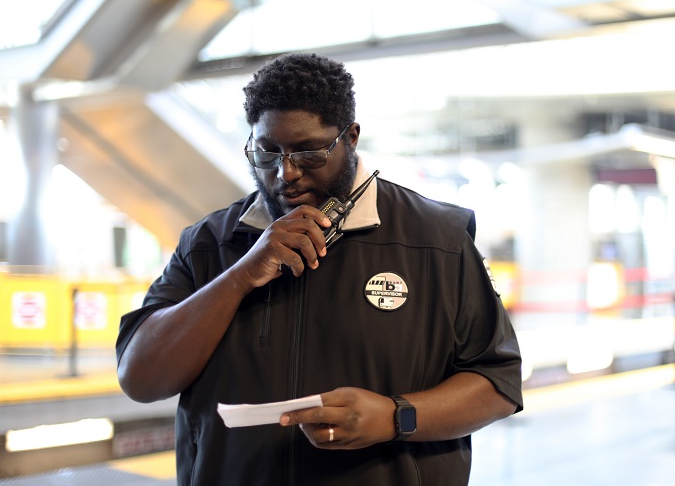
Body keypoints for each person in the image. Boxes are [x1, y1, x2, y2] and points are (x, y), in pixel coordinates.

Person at [116, 52, 523, 486]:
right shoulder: (209, 244)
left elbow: (497, 383)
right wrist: (240, 276)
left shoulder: (435, 239)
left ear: (350, 137)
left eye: (308, 153)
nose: (285, 174)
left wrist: (394, 417)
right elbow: (140, 378)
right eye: (267, 152)